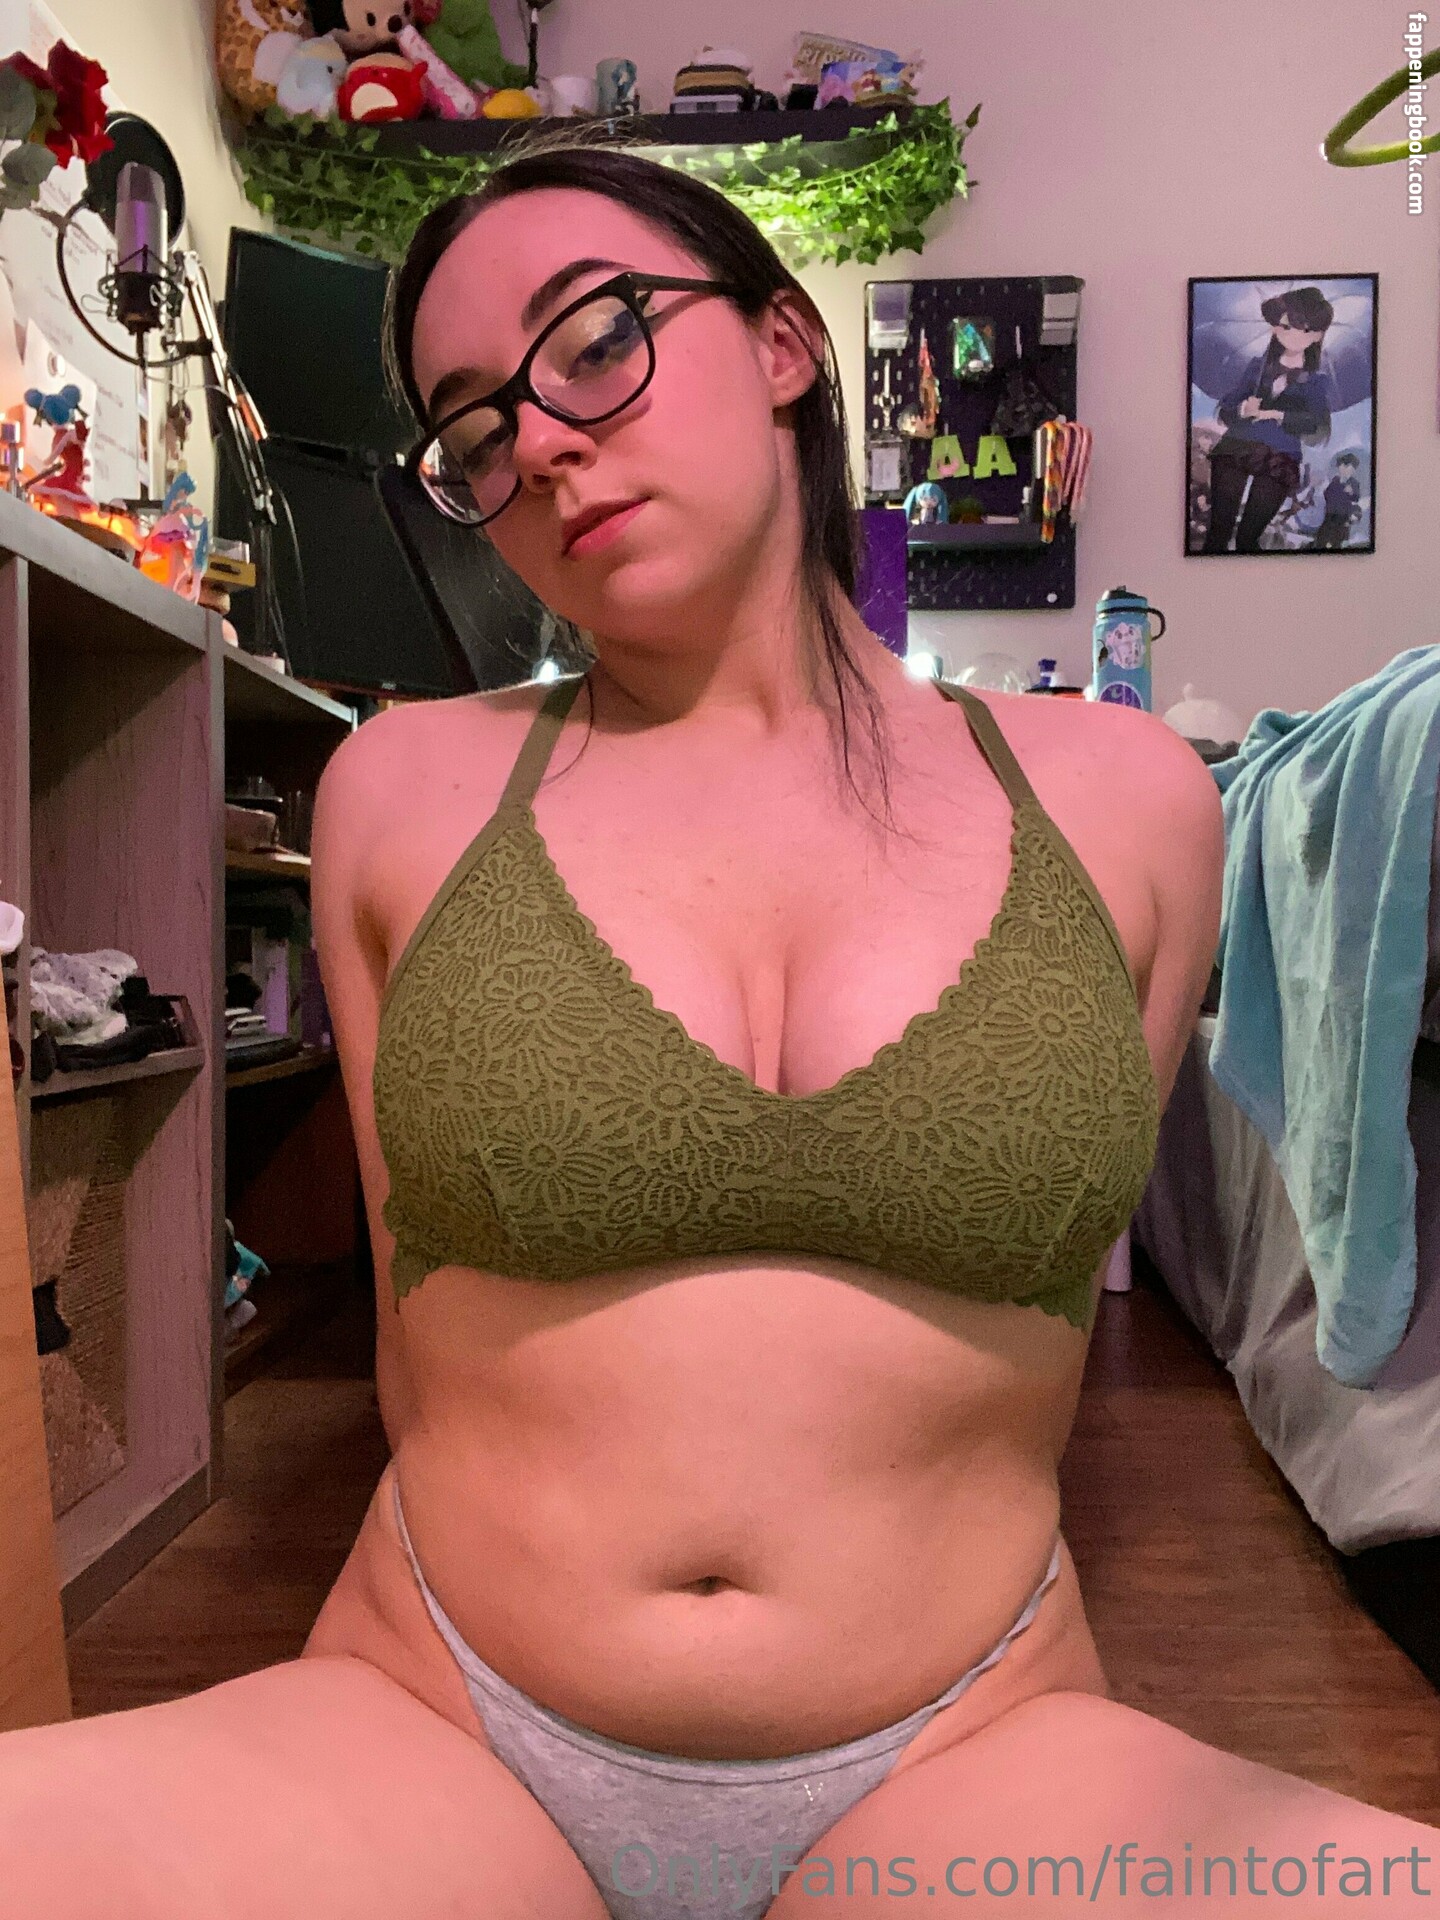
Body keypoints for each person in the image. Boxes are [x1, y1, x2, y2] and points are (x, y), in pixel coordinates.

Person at [1, 145, 1435, 1920]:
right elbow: (409, 1332)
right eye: (473, 432)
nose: (539, 444)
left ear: (781, 345)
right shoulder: (401, 789)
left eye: (594, 343)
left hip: (969, 1746)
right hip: (434, 1722)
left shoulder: (1133, 802)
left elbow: (1059, 1303)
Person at [1200, 285, 1337, 555]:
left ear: (1316, 335)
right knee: (1218, 531)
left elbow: (1316, 426)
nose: (1287, 333)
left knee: (1248, 538)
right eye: (1283, 326)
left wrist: (1277, 414)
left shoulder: (1315, 381)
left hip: (1280, 457)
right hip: (1237, 446)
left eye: (1299, 327)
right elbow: (1226, 409)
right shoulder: (1258, 367)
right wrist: (1243, 409)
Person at [1310, 449, 1364, 550]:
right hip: (1330, 514)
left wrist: (1351, 492)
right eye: (1341, 466)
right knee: (1323, 536)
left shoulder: (1353, 482)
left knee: (1338, 539)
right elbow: (1327, 494)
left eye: (1346, 467)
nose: (1342, 469)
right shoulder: (1335, 480)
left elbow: (1356, 498)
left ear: (1352, 469)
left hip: (1342, 516)